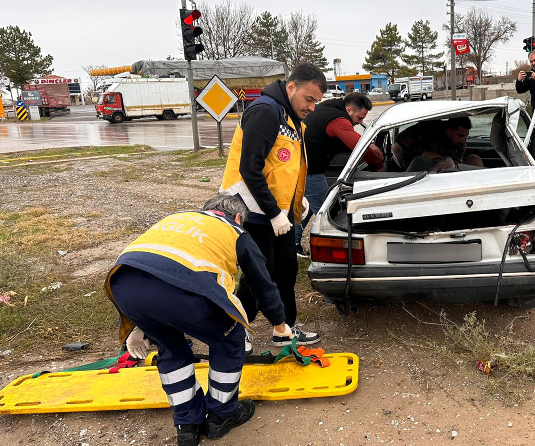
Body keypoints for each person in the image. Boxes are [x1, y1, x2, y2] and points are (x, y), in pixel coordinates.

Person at [104, 194, 292, 446]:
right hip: (183, 291)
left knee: (171, 348)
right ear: (238, 218)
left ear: (207, 210)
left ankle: (186, 426)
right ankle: (221, 416)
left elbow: (150, 265)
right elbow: (262, 284)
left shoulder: (177, 217)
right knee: (230, 340)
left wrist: (136, 324)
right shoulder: (235, 232)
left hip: (123, 285)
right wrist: (280, 324)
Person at [220, 62, 325, 346]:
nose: (313, 107)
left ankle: (286, 329)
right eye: (309, 99)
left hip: (277, 212)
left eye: (317, 102)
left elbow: (282, 166)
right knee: (259, 275)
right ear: (291, 87)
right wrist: (275, 213)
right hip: (252, 212)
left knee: (286, 270)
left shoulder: (289, 116)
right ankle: (233, 329)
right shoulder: (265, 111)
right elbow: (250, 169)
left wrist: (294, 198)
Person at [295, 92, 384, 257]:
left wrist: (370, 143)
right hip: (310, 172)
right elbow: (360, 149)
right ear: (349, 109)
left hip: (303, 168)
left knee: (305, 208)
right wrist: (378, 165)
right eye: (359, 118)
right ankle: (340, 254)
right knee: (327, 212)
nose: (360, 122)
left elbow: (345, 143)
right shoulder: (338, 120)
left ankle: (293, 245)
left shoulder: (331, 110)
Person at [390, 117, 482, 173]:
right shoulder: (430, 127)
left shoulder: (460, 143)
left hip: (433, 168)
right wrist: (424, 153)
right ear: (449, 130)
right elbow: (400, 139)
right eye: (460, 135)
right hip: (402, 162)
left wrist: (454, 166)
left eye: (466, 136)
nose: (463, 140)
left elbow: (457, 159)